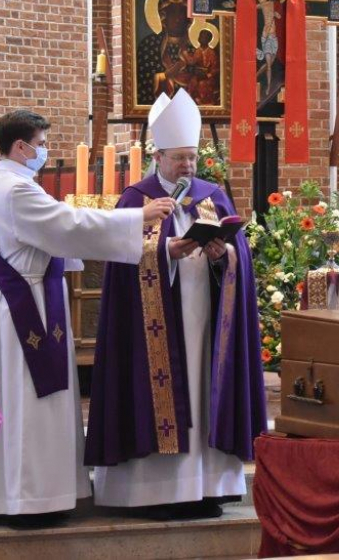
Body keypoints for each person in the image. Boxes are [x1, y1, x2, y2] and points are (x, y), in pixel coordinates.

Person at [0, 110, 175, 523]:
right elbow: (68, 224)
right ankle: (31, 500)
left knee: (29, 399)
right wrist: (137, 216)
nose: (45, 151)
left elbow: (53, 232)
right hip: (28, 302)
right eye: (41, 143)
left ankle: (33, 494)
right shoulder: (16, 188)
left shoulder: (6, 182)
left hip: (26, 294)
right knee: (32, 401)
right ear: (20, 147)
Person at [86, 89, 267, 520]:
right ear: (158, 156)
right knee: (161, 396)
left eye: (192, 157)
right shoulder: (137, 199)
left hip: (205, 320)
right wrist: (165, 253)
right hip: (155, 323)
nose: (188, 165)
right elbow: (121, 263)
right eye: (179, 158)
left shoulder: (212, 195)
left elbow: (240, 259)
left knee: (204, 392)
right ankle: (156, 492)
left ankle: (206, 488)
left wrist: (225, 256)